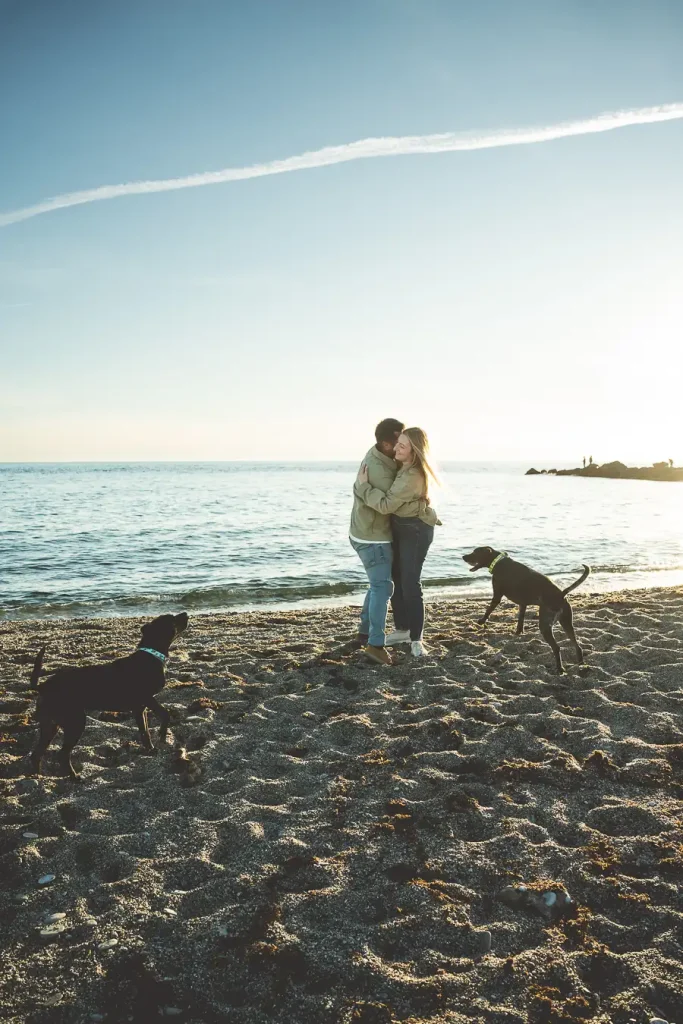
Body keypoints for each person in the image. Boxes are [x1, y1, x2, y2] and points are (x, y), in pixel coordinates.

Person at [349, 419, 430, 666]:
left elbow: (401, 494)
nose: (398, 449)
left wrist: (418, 503)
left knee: (379, 585)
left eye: (403, 444)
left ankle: (367, 633)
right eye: (397, 443)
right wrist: (362, 488)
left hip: (370, 532)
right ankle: (375, 644)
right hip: (373, 536)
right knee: (382, 587)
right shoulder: (381, 470)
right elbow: (386, 505)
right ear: (385, 443)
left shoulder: (382, 457)